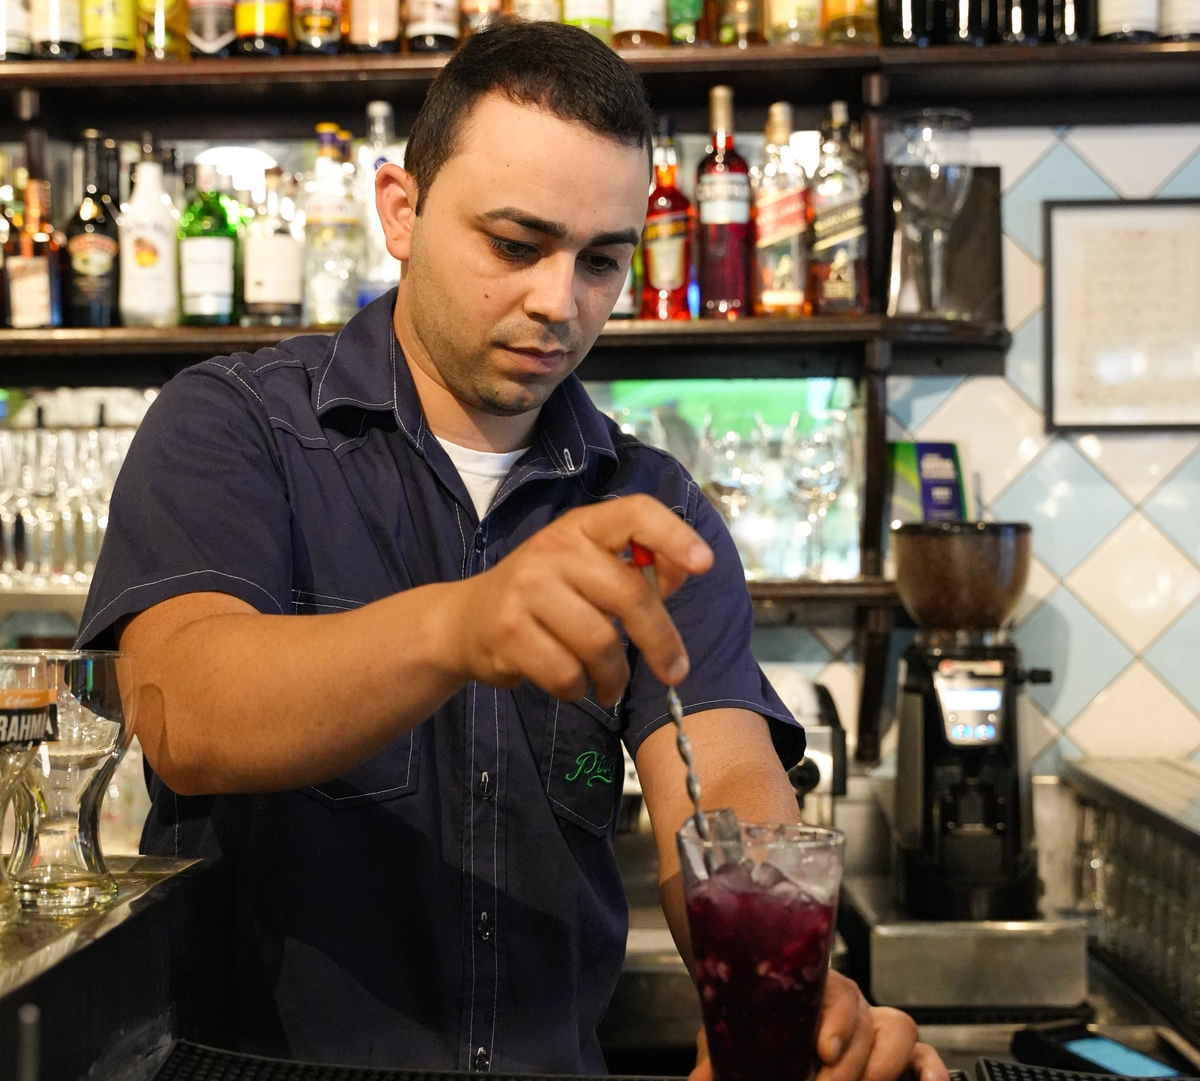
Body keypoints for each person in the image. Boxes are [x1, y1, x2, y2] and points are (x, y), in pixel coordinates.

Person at [79, 20, 949, 1081]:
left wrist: (781, 972)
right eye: (514, 244)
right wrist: (463, 624)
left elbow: (720, 772)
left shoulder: (647, 504)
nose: (557, 302)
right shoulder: (235, 426)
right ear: (400, 212)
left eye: (601, 261)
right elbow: (183, 711)